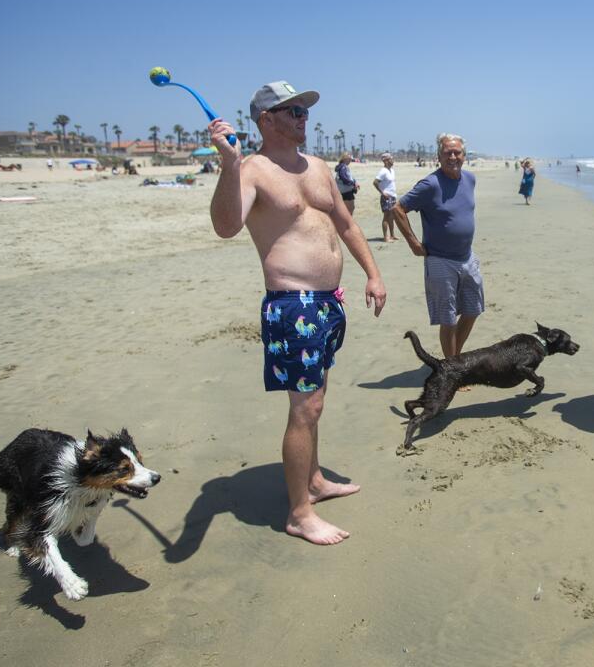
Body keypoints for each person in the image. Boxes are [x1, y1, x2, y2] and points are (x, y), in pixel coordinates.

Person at [207, 80, 387, 546]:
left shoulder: (320, 166)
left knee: (316, 401)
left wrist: (373, 272)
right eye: (292, 112)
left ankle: (315, 481)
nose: (303, 119)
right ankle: (299, 513)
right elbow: (226, 226)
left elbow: (345, 223)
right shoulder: (251, 170)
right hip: (293, 305)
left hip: (330, 302)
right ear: (266, 121)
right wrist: (228, 166)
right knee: (304, 408)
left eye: (305, 112)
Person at [392, 133, 484, 360]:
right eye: (447, 153)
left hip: (467, 257)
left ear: (464, 155)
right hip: (440, 260)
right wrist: (414, 243)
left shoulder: (470, 179)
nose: (453, 157)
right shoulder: (430, 184)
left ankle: (452, 361)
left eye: (457, 152)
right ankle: (452, 368)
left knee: (473, 310)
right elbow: (397, 209)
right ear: (438, 156)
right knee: (449, 318)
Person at [373, 153, 398, 242]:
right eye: (391, 159)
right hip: (386, 197)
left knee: (392, 216)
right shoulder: (383, 171)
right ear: (386, 160)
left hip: (393, 196)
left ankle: (392, 235)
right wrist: (382, 193)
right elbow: (375, 182)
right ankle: (385, 237)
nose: (393, 160)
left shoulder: (391, 170)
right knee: (386, 216)